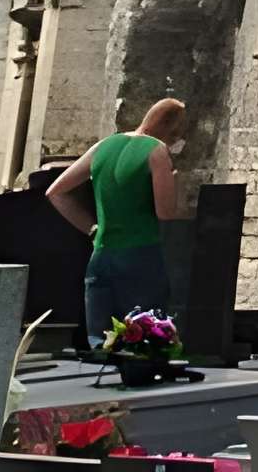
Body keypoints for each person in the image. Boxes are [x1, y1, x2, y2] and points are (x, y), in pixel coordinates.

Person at [49, 96, 186, 337]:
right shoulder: (156, 151)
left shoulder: (103, 146)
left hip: (101, 254)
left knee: (101, 339)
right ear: (171, 128)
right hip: (142, 254)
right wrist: (175, 180)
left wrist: (91, 228)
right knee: (145, 338)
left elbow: (56, 192)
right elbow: (165, 212)